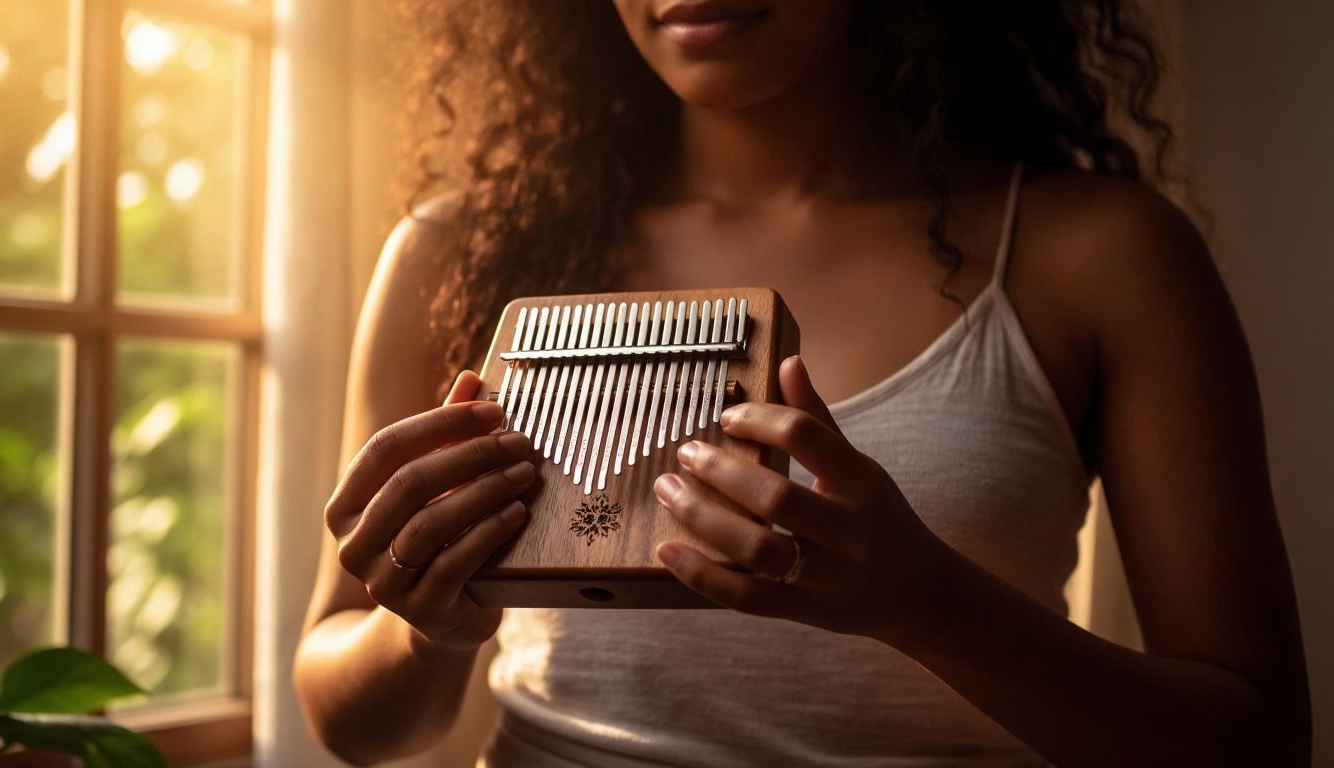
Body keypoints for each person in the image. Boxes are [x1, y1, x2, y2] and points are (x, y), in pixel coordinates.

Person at [294, 1, 1311, 765]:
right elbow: (351, 721)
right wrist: (423, 627)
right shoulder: (461, 251)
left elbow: (1255, 740)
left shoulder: (1100, 255)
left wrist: (927, 605)